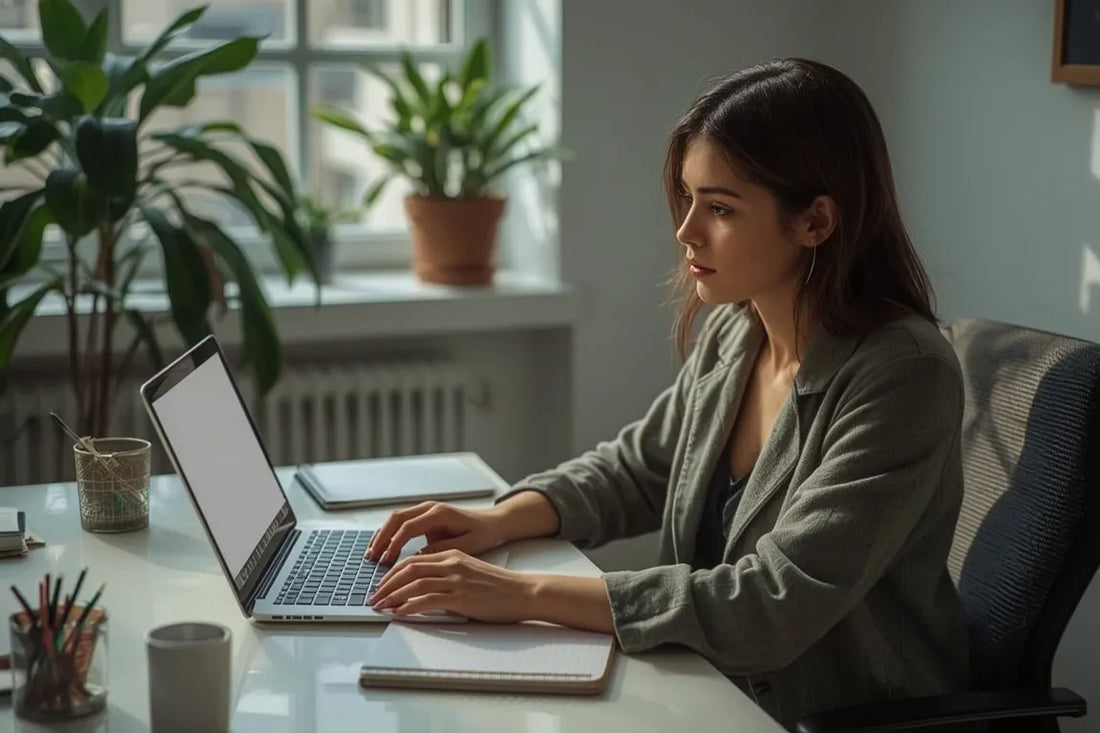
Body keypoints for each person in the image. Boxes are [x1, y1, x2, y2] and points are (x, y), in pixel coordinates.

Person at [365, 58, 969, 730]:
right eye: (687, 199)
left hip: (820, 714)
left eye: (719, 208)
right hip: (705, 687)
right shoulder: (736, 333)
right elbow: (639, 468)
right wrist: (498, 519)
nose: (685, 231)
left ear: (815, 222)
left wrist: (522, 592)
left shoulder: (904, 375)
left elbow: (774, 602)